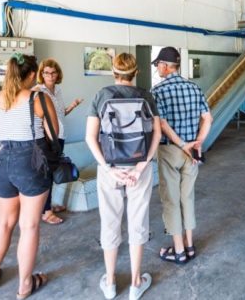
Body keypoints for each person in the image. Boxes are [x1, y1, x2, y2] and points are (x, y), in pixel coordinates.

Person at [0, 53, 58, 299]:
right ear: (31, 75)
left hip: (3, 160)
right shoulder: (38, 98)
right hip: (31, 161)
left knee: (4, 222)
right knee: (29, 225)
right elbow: (53, 135)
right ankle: (25, 285)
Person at [85, 53, 161, 300]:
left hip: (111, 168)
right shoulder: (146, 96)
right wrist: (140, 166)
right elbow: (157, 134)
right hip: (140, 166)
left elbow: (90, 137)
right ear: (136, 72)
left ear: (113, 72)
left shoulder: (101, 96)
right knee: (138, 220)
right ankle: (136, 283)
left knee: (110, 221)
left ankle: (109, 283)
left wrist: (108, 168)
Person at [150, 47, 212, 265]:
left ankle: (178, 251)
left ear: (165, 66)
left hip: (170, 150)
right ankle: (189, 245)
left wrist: (182, 144)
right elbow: (208, 118)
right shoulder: (194, 88)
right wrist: (197, 143)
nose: (157, 69)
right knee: (188, 197)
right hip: (192, 152)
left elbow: (163, 125)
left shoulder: (157, 91)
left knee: (171, 199)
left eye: (158, 65)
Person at [33, 58, 83, 225]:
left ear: (57, 74)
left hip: (60, 136)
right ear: (41, 74)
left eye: (53, 73)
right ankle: (46, 212)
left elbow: (60, 115)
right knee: (46, 175)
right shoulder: (37, 91)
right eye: (46, 73)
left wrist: (72, 106)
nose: (50, 76)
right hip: (48, 139)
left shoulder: (57, 90)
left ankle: (48, 205)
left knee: (53, 173)